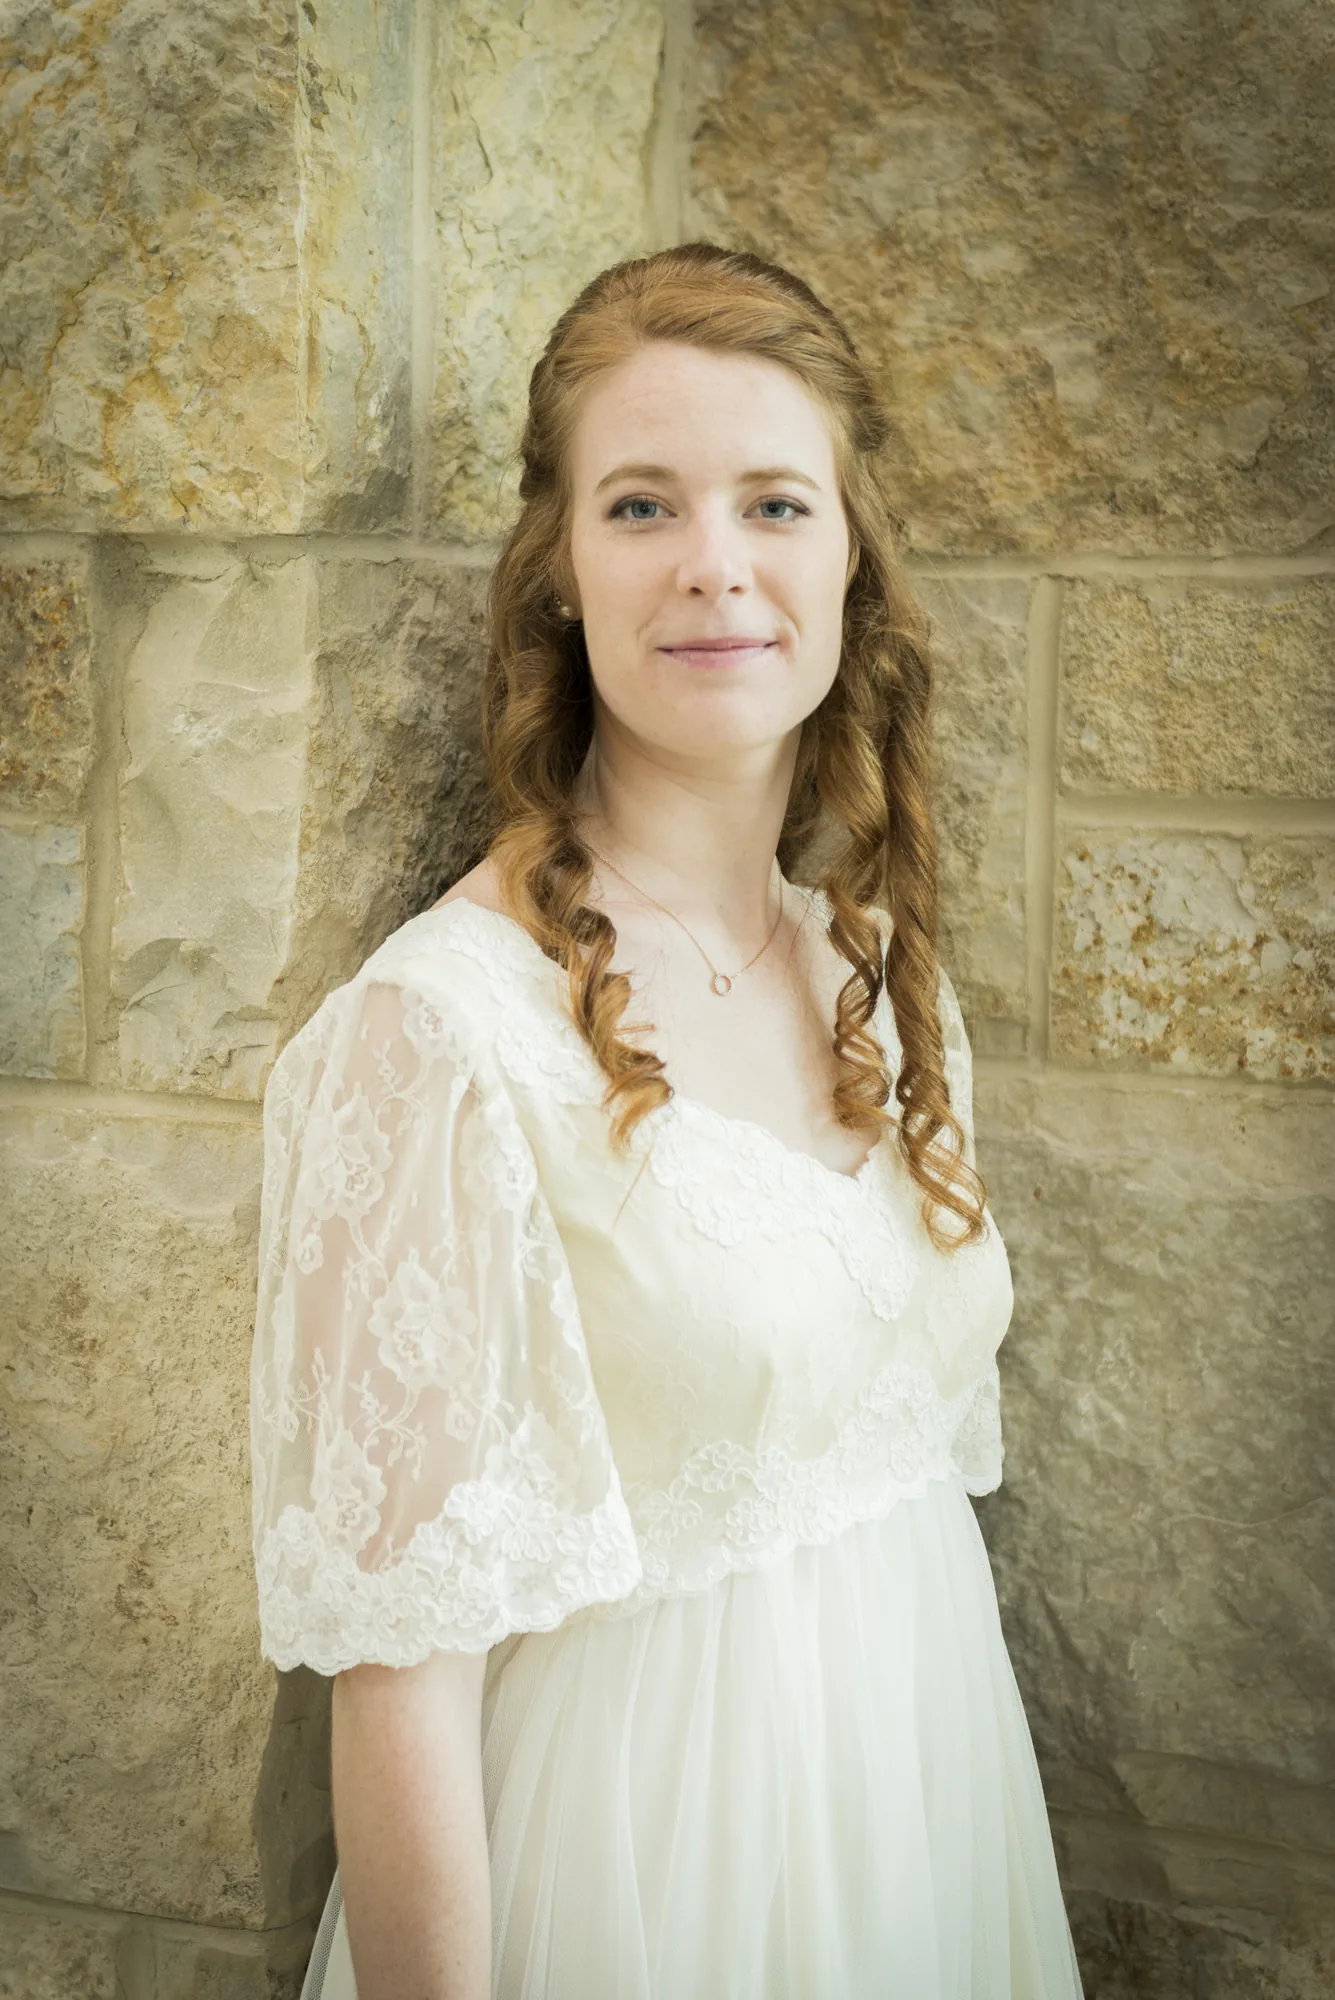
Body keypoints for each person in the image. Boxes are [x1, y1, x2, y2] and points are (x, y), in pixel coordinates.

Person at [249, 242, 1085, 2000]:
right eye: (641, 505)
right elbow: (402, 1673)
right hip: (639, 1881)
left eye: (774, 502)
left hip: (927, 1834)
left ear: (851, 555)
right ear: (558, 567)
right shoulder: (439, 1035)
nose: (715, 565)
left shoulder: (876, 973)